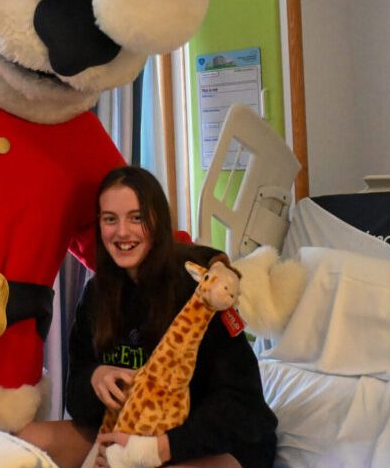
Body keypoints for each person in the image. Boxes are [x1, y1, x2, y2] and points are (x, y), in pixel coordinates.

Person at [22, 165, 277, 467]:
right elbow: (76, 399)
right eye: (110, 219)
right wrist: (95, 378)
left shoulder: (198, 292)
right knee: (25, 443)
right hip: (132, 430)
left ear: (157, 220)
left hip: (212, 442)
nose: (122, 232)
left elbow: (243, 408)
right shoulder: (97, 295)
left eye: (137, 218)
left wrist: (160, 448)